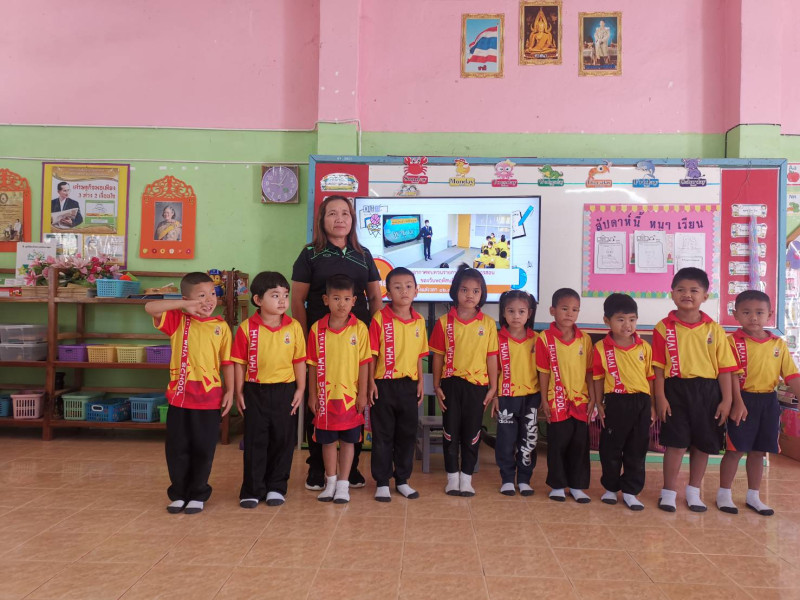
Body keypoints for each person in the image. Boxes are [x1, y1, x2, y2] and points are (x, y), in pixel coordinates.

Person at [291, 195, 382, 491]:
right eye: (332, 213)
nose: (339, 218)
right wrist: (303, 339)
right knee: (318, 404)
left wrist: (376, 337)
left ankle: (349, 470)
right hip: (321, 343)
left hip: (356, 344)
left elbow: (375, 297)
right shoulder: (310, 254)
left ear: (352, 220)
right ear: (322, 219)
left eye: (345, 213)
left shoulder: (363, 254)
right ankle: (317, 468)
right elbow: (297, 300)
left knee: (354, 404)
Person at [145, 272, 233, 514]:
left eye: (212, 294)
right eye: (201, 296)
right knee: (177, 449)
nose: (209, 300)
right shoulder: (177, 321)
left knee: (204, 449)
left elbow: (227, 363)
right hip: (180, 400)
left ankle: (198, 493)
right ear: (186, 299)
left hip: (209, 400)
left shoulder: (221, 327)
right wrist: (184, 305)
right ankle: (179, 493)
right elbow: (150, 307)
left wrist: (230, 391)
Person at [652, 267, 737, 512]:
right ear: (672, 294)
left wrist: (727, 400)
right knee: (676, 443)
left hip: (708, 392)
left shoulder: (715, 329)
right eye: (680, 290)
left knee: (703, 443)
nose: (686, 294)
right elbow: (658, 368)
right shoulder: (663, 327)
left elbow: (725, 369)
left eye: (693, 290)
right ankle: (668, 492)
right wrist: (660, 397)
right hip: (675, 390)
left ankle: (693, 491)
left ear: (705, 296)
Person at [717, 290, 800, 515]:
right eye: (746, 312)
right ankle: (724, 494)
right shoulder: (731, 342)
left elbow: (792, 375)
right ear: (736, 314)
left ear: (770, 314)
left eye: (759, 312)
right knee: (735, 449)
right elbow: (730, 374)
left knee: (759, 451)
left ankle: (753, 496)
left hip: (769, 401)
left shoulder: (778, 344)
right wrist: (736, 402)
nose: (753, 317)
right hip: (742, 400)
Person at [231, 272, 306, 509]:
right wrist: (238, 391)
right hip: (255, 391)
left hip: (285, 391)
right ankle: (252, 489)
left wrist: (301, 388)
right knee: (256, 440)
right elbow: (239, 362)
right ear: (258, 300)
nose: (282, 300)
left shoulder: (294, 327)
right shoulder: (246, 328)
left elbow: (299, 360)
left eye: (285, 295)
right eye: (275, 295)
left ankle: (276, 487)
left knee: (283, 440)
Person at [430, 264, 498, 496]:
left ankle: (466, 478)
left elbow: (491, 357)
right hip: (451, 385)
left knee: (472, 434)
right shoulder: (443, 322)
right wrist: (436, 385)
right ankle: (452, 477)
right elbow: (438, 357)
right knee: (450, 432)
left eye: (476, 291)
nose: (470, 295)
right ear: (455, 291)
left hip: (477, 388)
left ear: (482, 294)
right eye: (464, 290)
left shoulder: (488, 324)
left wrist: (493, 387)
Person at [307, 274, 371, 503]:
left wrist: (362, 394)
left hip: (350, 398)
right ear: (326, 300)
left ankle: (343, 485)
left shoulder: (360, 329)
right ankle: (330, 482)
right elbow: (312, 364)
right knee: (326, 442)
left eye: (346, 299)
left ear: (354, 301)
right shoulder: (317, 329)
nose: (341, 304)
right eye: (336, 298)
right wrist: (312, 395)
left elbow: (364, 363)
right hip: (325, 399)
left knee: (348, 441)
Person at [368, 267, 429, 502]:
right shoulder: (379, 318)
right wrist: (371, 383)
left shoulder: (419, 321)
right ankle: (382, 482)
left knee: (406, 435)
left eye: (408, 286)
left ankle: (402, 480)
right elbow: (372, 355)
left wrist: (420, 382)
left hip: (409, 386)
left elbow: (419, 356)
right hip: (383, 385)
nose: (404, 291)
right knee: (383, 436)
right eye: (397, 287)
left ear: (416, 291)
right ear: (388, 292)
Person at [591, 293, 655, 510]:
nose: (627, 325)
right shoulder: (601, 348)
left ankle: (630, 491)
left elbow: (650, 378)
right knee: (611, 448)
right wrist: (599, 403)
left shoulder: (644, 347)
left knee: (637, 449)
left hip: (641, 402)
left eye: (632, 319)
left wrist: (652, 405)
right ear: (607, 321)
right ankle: (610, 488)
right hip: (615, 402)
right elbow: (598, 377)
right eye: (620, 319)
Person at [536, 288, 595, 503]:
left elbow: (589, 372)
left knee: (579, 445)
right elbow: (543, 372)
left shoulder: (585, 340)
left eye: (575, 309)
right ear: (552, 310)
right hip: (557, 400)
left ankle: (577, 486)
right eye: (564, 308)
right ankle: (558, 485)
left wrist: (593, 399)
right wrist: (544, 399)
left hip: (580, 401)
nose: (569, 313)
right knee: (557, 444)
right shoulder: (544, 338)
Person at [493, 290, 539, 497]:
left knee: (528, 440)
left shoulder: (537, 340)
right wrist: (495, 395)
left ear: (529, 313)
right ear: (503, 313)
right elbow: (493, 371)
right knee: (505, 441)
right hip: (505, 398)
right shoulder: (496, 339)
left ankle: (524, 479)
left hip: (531, 398)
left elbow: (544, 371)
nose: (516, 316)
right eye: (511, 311)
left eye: (521, 311)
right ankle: (507, 479)